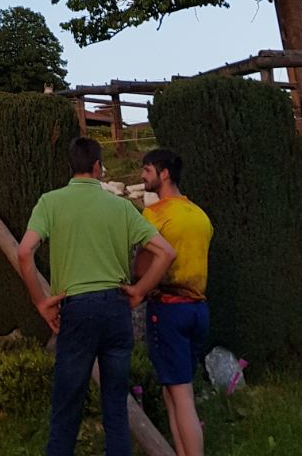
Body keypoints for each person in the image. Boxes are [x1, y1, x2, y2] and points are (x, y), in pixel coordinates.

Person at [17, 136, 176, 456]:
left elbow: (24, 253)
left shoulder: (50, 202)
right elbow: (165, 252)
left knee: (66, 408)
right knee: (115, 407)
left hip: (76, 309)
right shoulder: (121, 207)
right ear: (98, 167)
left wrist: (41, 302)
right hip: (116, 308)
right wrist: (139, 291)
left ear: (70, 166)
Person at [139, 149, 214, 456]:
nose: (142, 176)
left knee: (181, 395)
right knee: (174, 391)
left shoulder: (155, 215)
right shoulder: (199, 214)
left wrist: (135, 286)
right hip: (198, 309)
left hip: (168, 309)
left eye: (147, 170)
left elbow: (142, 267)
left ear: (164, 173)